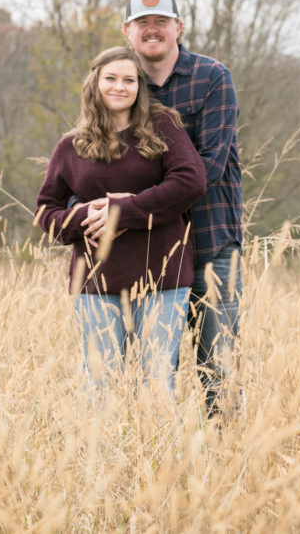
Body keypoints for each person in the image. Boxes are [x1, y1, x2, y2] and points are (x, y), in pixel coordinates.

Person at [87, 0, 243, 417]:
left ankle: (228, 459)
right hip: (149, 248)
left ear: (179, 27)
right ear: (127, 30)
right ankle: (157, 463)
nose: (151, 30)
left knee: (219, 363)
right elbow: (99, 156)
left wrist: (131, 204)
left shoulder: (212, 78)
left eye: (160, 22)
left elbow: (209, 167)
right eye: (142, 23)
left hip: (211, 240)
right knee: (154, 370)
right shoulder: (121, 82)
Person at [35, 46, 206, 394]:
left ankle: (158, 450)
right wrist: (84, 215)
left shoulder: (163, 128)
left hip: (161, 275)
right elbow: (45, 210)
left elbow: (191, 181)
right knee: (97, 385)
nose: (120, 86)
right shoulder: (71, 146)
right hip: (97, 281)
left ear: (140, 88)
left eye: (129, 80)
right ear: (95, 84)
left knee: (157, 384)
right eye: (111, 78)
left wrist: (121, 213)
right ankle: (98, 451)